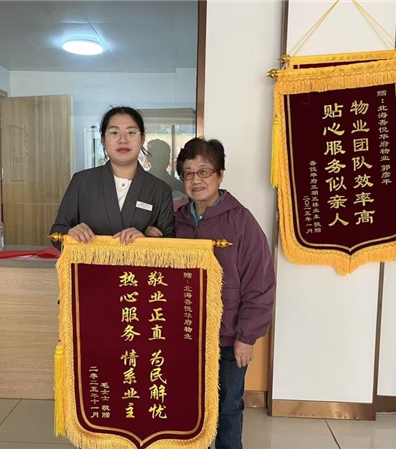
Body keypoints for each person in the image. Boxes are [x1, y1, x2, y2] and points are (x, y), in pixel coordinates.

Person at [175, 137, 275, 449]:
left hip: (228, 339)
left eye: (204, 171)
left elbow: (260, 283)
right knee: (184, 405)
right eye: (188, 173)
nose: (196, 180)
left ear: (219, 175)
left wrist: (247, 337)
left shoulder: (241, 221)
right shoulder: (175, 218)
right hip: (183, 336)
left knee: (227, 406)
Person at [50, 106, 175, 245]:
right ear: (103, 140)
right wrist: (70, 233)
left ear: (142, 139)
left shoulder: (160, 190)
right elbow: (57, 233)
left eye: (131, 132)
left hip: (139, 261)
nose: (123, 140)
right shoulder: (82, 182)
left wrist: (146, 242)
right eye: (114, 132)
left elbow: (172, 244)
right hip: (92, 260)